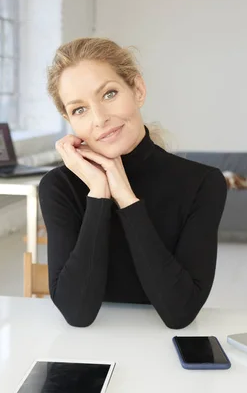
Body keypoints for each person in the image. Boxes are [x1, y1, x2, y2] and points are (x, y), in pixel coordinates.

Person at [38, 37, 227, 329]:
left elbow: (180, 312)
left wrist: (126, 197)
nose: (99, 118)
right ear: (69, 120)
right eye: (80, 109)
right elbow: (77, 313)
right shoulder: (58, 187)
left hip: (166, 355)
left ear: (137, 90)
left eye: (109, 94)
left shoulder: (202, 184)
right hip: (87, 353)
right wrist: (99, 194)